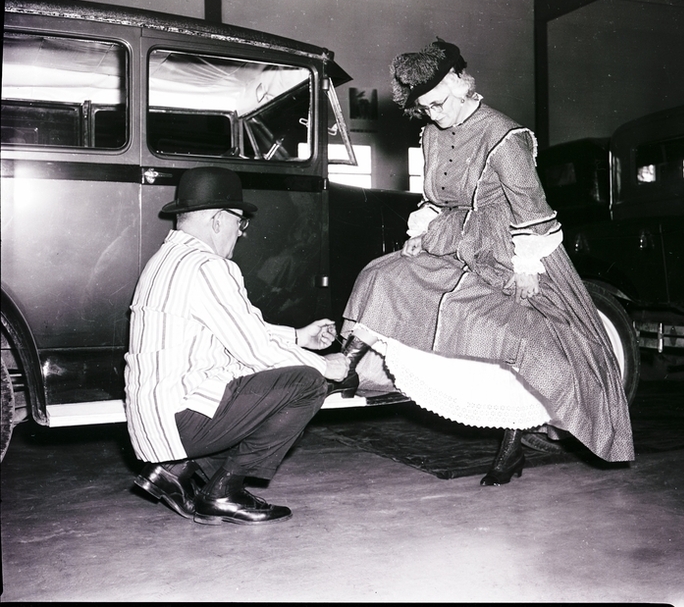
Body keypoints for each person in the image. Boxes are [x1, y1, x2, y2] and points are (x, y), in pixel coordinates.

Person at [336, 39, 635, 486]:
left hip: (509, 248)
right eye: (424, 108)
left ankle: (512, 446)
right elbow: (436, 198)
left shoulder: (505, 137)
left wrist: (527, 267)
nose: (432, 114)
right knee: (382, 275)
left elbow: (532, 210)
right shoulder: (431, 132)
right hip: (450, 238)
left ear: (459, 84)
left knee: (516, 340)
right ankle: (343, 370)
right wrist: (420, 233)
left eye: (437, 104)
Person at [124, 166, 350, 525]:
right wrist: (326, 365)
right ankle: (223, 493)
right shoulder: (208, 266)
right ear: (217, 220)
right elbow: (255, 350)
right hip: (180, 424)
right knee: (308, 382)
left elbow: (237, 330)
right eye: (239, 222)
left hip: (154, 422)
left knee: (253, 370)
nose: (241, 232)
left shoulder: (165, 260)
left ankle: (175, 470)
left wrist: (298, 337)